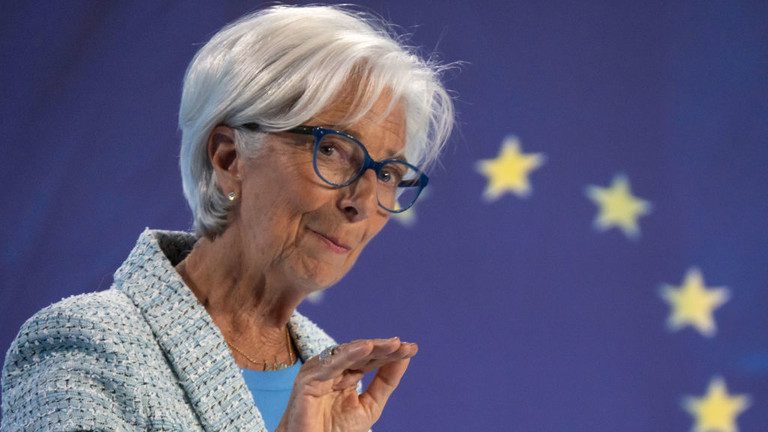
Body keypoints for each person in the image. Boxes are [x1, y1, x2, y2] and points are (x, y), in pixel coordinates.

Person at [0, 4, 454, 432]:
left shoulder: (333, 376)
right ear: (229, 157)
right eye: (332, 150)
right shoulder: (86, 345)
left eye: (388, 172)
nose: (362, 201)